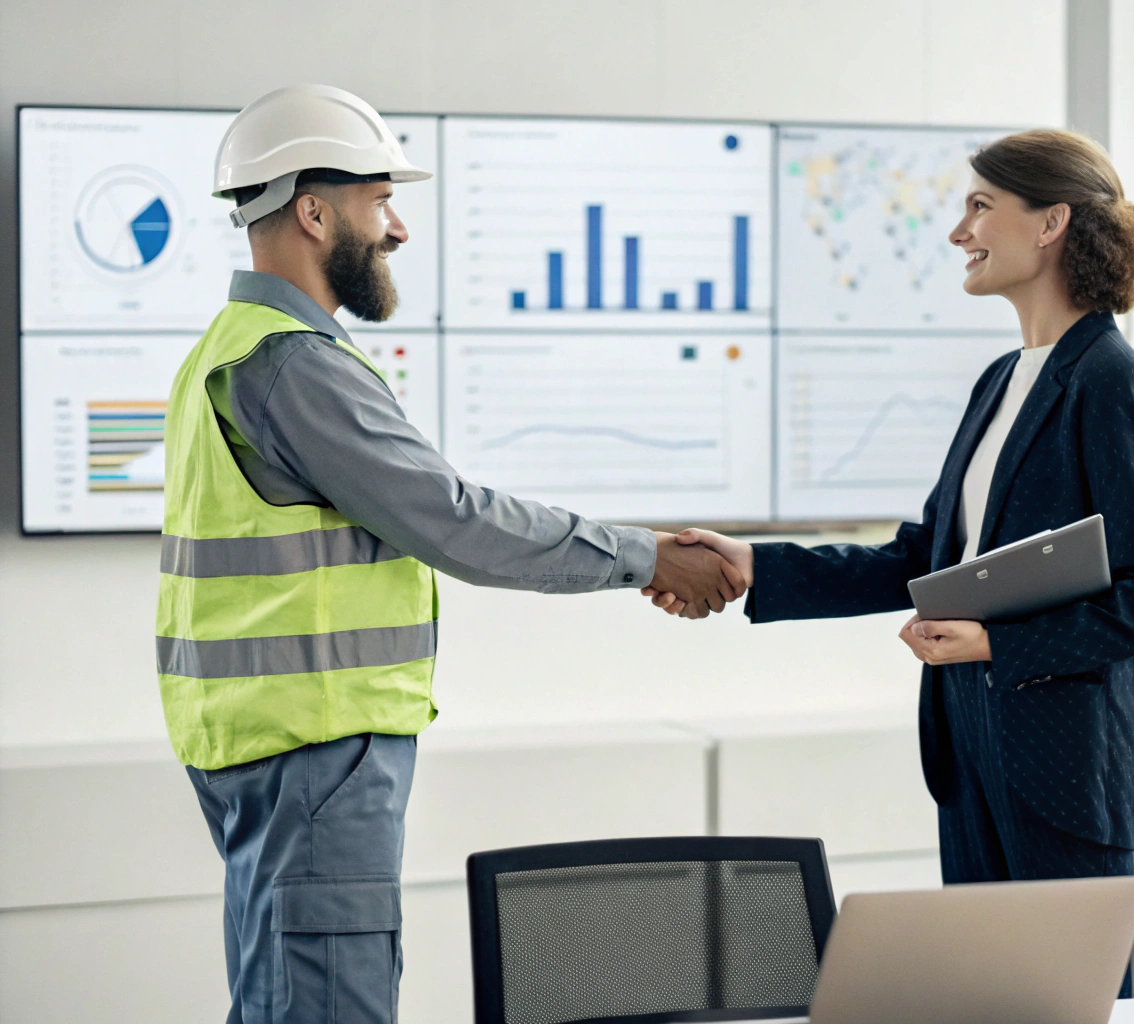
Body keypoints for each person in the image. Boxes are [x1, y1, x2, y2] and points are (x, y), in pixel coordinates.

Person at [157, 84, 744, 1023]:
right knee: (326, 1004)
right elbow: (452, 520)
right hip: (316, 748)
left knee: (282, 996)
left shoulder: (228, 350)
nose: (395, 229)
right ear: (313, 213)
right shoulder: (294, 363)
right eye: (378, 202)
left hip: (266, 744)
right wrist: (646, 556)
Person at [646, 129, 1134, 993]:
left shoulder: (1110, 382)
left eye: (980, 206)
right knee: (986, 1005)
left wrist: (995, 643)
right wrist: (756, 563)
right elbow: (926, 557)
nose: (958, 231)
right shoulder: (1002, 380)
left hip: (1065, 773)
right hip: (973, 750)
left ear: (1050, 222)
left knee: (1066, 1008)